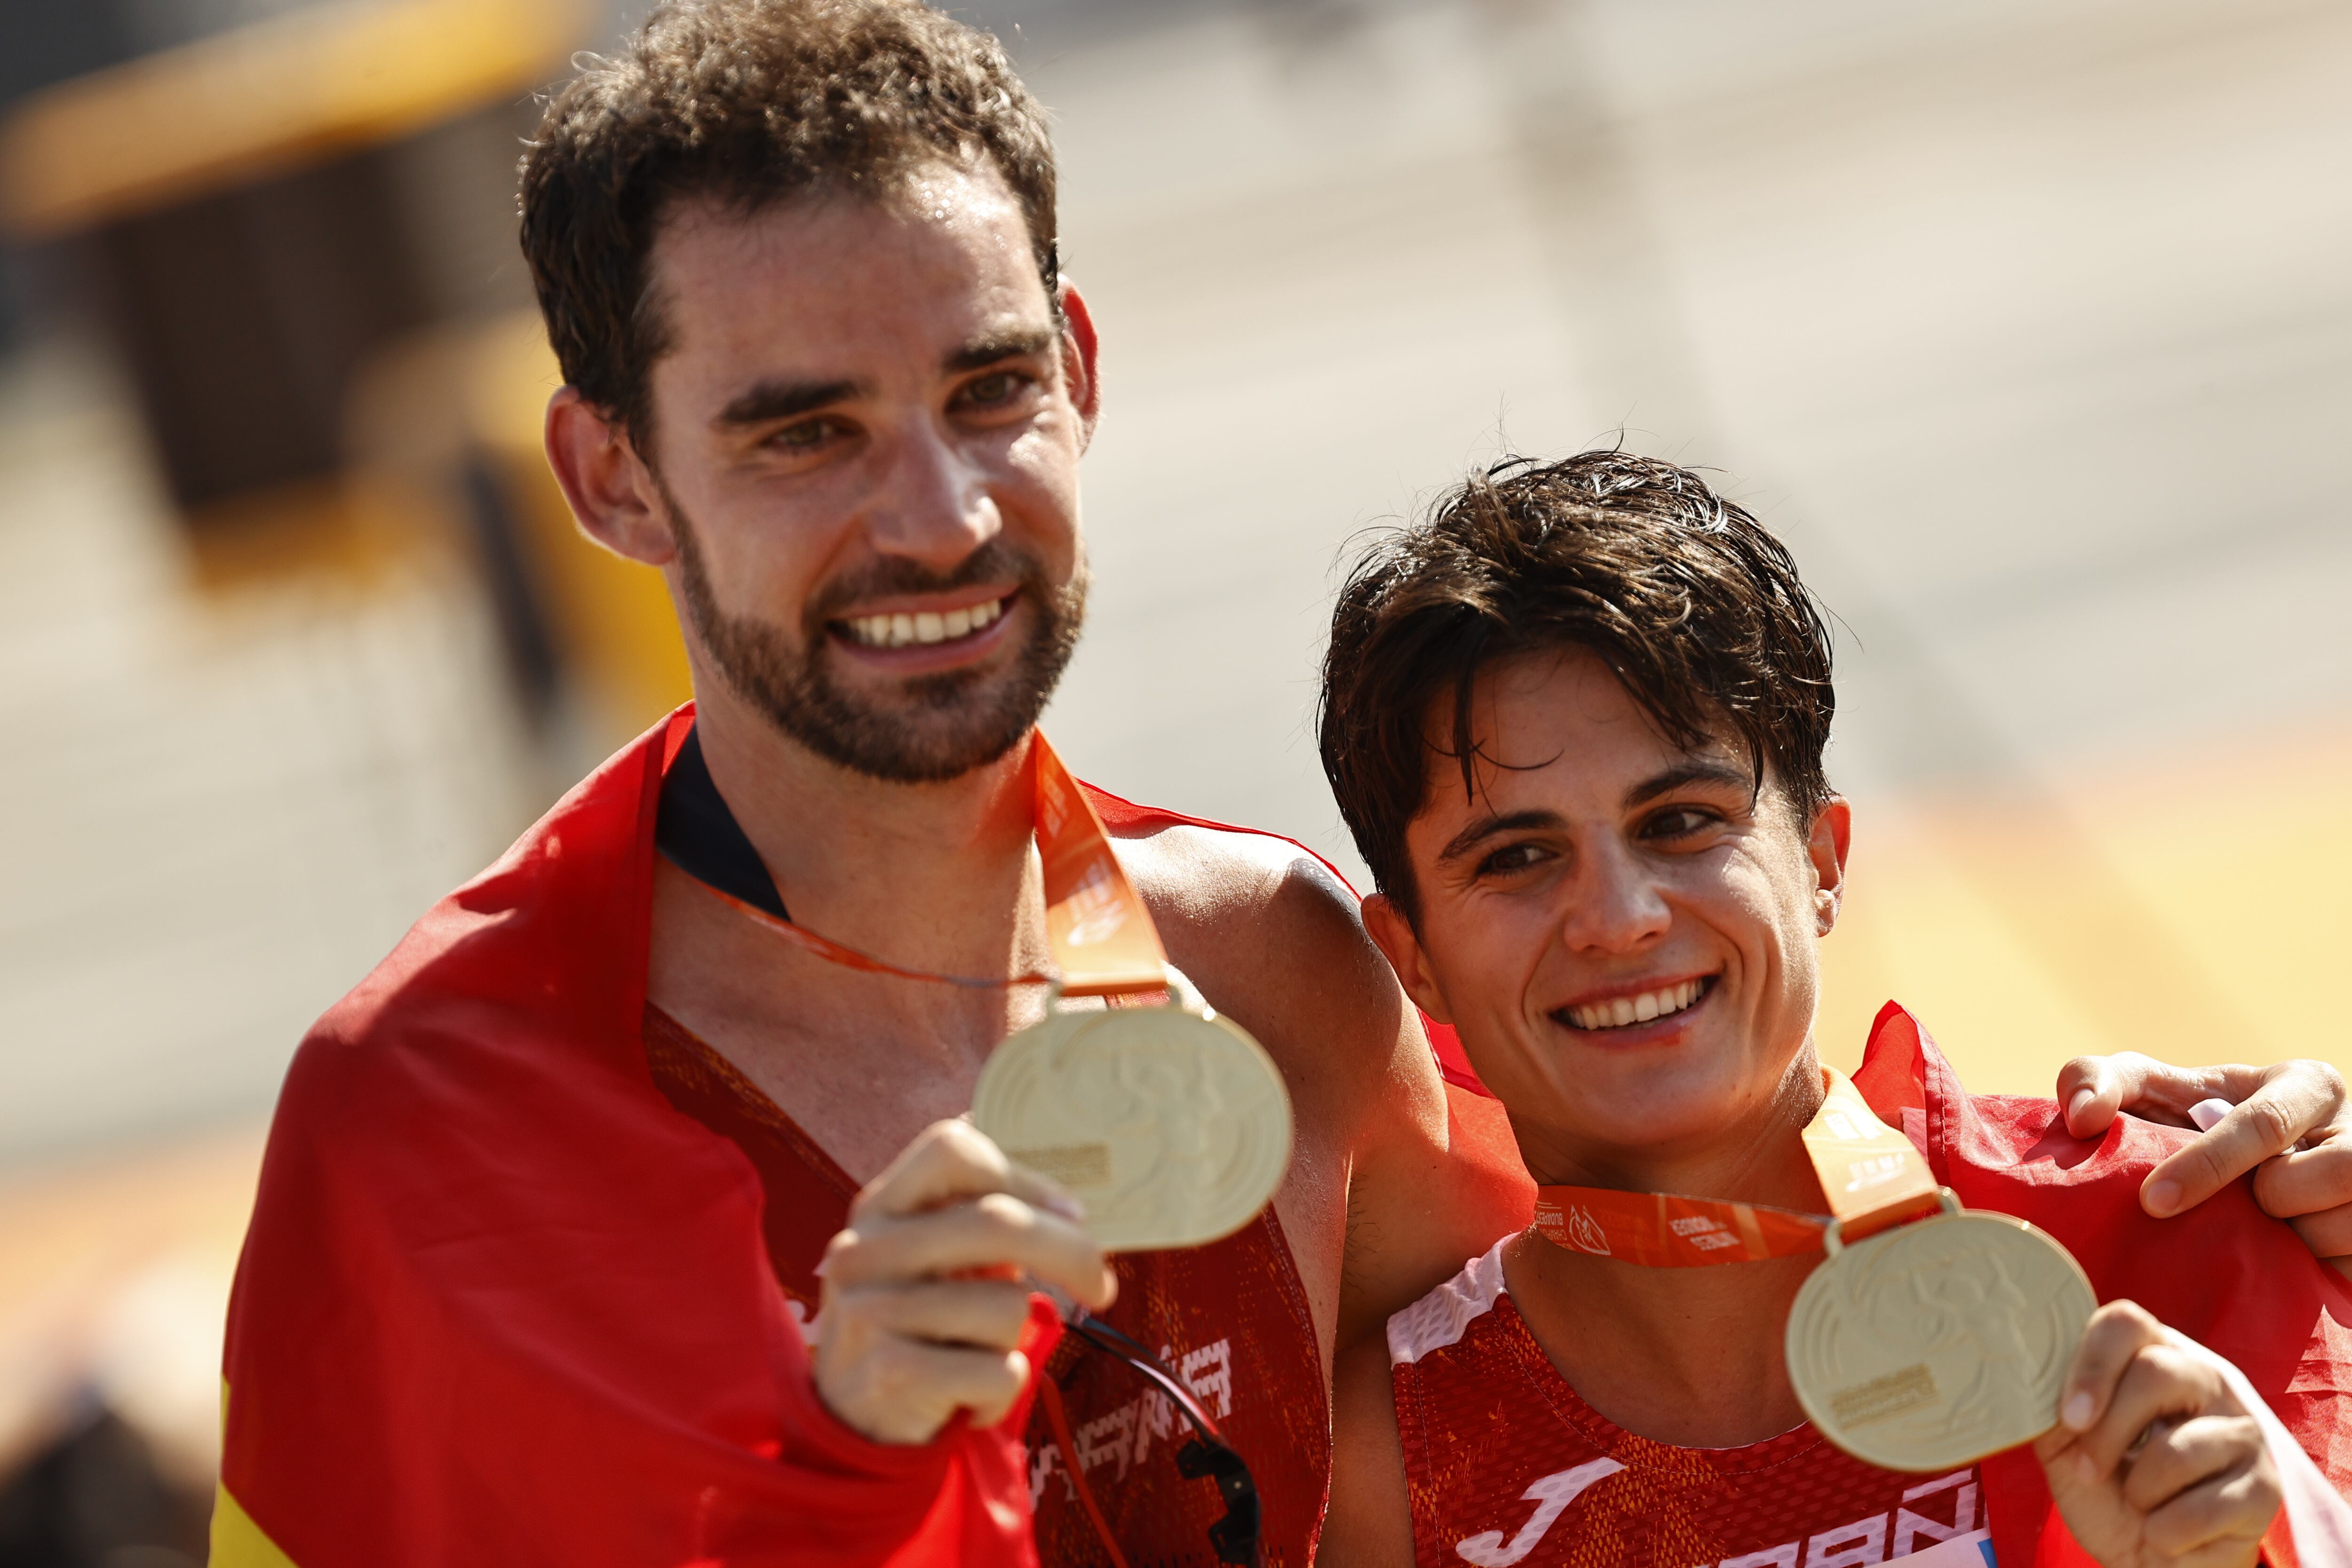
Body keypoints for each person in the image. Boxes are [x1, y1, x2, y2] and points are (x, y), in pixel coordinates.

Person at [211, 5, 2352, 1564]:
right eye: (804, 432)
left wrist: (2148, 1177)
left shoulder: (1289, 980)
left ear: (1084, 367)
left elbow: (1660, 1343)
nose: (938, 511)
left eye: (987, 390)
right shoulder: (432, 1121)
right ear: (612, 475)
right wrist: (836, 1446)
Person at [1316, 453, 2352, 1567]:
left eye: (1679, 820)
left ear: (1821, 858)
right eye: (1518, 855)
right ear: (1411, 955)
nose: (1615, 919)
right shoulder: (1379, 1469)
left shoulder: (2156, 1230)